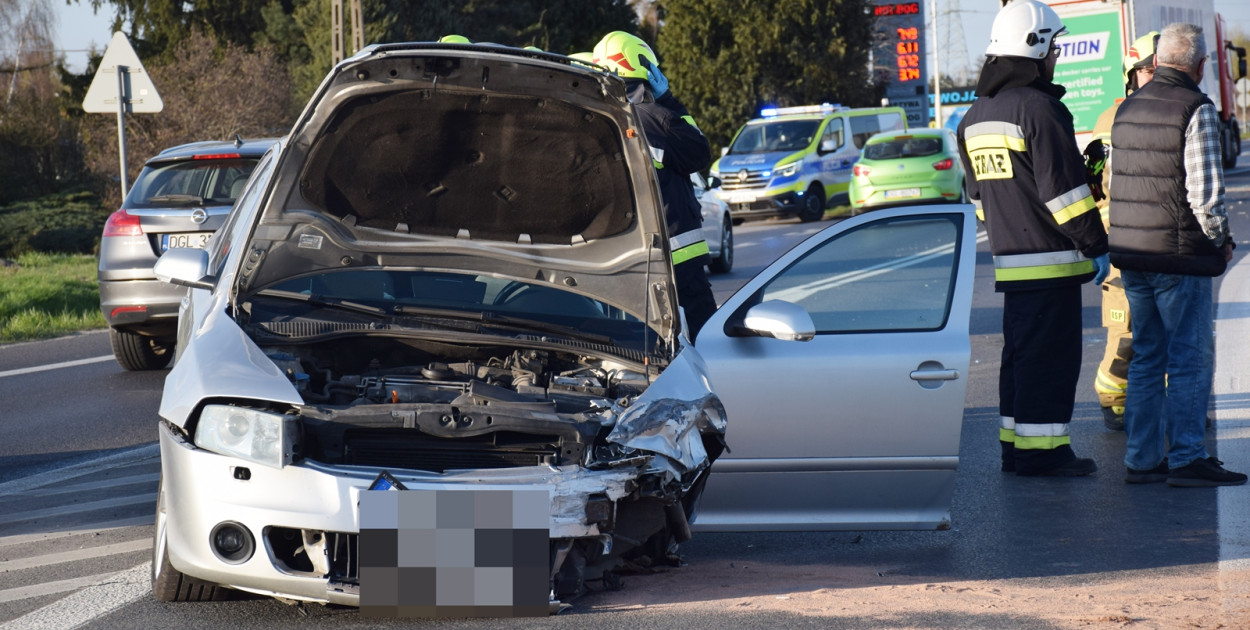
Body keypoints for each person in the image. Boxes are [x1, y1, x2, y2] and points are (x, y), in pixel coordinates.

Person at [956, 0, 1109, 476]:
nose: (1057, 56)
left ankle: (1014, 448)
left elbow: (980, 197)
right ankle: (1045, 455)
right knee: (1050, 363)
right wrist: (1097, 245)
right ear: (1036, 47)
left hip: (1011, 266)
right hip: (1052, 263)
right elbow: (1064, 196)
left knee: (1019, 361)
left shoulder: (972, 118)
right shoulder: (1041, 110)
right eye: (1055, 47)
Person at [1108, 22, 1244, 487]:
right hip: (1179, 254)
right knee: (1189, 355)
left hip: (1132, 254)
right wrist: (1221, 242)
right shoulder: (1196, 109)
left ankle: (1141, 460)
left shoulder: (1126, 109)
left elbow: (1116, 185)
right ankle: (1187, 457)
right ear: (1201, 66)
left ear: (1159, 60)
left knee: (1147, 355)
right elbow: (1205, 196)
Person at [592, 31, 717, 341]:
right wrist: (669, 100)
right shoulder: (657, 119)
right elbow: (699, 151)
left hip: (617, 262)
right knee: (706, 343)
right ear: (646, 75)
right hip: (679, 260)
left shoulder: (590, 124)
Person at [1083, 31, 1158, 432]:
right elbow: (1092, 184)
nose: (1158, 76)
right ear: (1132, 75)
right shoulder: (1108, 122)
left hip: (1158, 243)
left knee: (1165, 328)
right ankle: (1114, 399)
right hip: (1120, 245)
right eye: (1149, 70)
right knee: (1125, 330)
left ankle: (1166, 405)